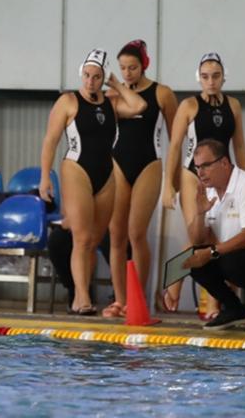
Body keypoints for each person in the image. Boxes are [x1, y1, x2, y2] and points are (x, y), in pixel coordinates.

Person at [39, 49, 146, 315]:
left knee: (95, 239)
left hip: (106, 174)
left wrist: (116, 84)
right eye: (86, 75)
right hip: (76, 169)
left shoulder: (111, 103)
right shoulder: (68, 101)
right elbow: (50, 141)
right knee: (82, 238)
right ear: (81, 73)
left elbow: (139, 106)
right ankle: (82, 298)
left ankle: (80, 297)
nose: (90, 81)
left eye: (97, 77)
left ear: (104, 77)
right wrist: (44, 177)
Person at [163, 139, 245, 332]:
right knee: (193, 259)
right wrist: (199, 214)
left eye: (206, 166)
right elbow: (198, 240)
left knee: (229, 259)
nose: (200, 173)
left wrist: (211, 252)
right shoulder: (209, 193)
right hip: (240, 258)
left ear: (224, 163)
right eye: (197, 167)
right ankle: (234, 309)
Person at [161, 52, 245, 318]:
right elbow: (175, 147)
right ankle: (175, 283)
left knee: (223, 240)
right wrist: (169, 184)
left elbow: (239, 146)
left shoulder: (234, 105)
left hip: (224, 177)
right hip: (193, 175)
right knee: (198, 236)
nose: (211, 81)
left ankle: (213, 303)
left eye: (216, 76)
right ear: (198, 78)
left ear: (223, 78)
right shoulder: (189, 106)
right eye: (206, 76)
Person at [105, 39, 178, 318]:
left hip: (149, 163)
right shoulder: (113, 96)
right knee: (116, 234)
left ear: (144, 65)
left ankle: (138, 299)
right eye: (123, 68)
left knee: (136, 233)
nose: (127, 73)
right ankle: (120, 300)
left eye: (132, 68)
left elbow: (175, 139)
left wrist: (173, 180)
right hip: (118, 163)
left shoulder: (162, 93)